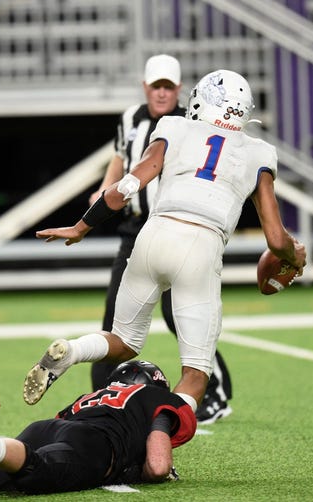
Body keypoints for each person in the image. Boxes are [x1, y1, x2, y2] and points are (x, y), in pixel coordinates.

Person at [25, 69, 307, 415]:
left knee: (124, 341)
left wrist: (82, 226)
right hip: (201, 246)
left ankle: (71, 350)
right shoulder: (259, 152)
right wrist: (295, 256)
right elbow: (276, 239)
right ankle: (159, 435)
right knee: (196, 374)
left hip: (153, 235)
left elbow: (128, 186)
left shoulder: (173, 127)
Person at [90, 53, 234, 424]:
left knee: (180, 317)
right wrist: (105, 190)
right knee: (114, 317)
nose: (161, 92)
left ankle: (217, 392)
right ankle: (101, 397)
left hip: (175, 228)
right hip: (135, 228)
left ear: (179, 89)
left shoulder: (191, 122)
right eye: (156, 85)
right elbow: (120, 159)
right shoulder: (130, 119)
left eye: (168, 86)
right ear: (145, 87)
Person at [0, 360, 196, 495]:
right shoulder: (153, 399)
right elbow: (158, 465)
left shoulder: (88, 399)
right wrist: (143, 473)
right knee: (38, 473)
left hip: (48, 428)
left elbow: (63, 426)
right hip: (94, 442)